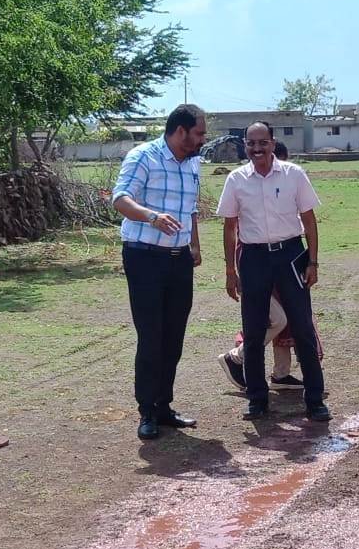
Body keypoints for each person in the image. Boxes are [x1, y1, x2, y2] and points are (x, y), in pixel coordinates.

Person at [216, 121, 330, 421]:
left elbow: (309, 219)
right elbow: (229, 228)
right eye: (251, 143)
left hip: (291, 255)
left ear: (272, 142)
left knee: (303, 328)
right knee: (253, 332)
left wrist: (313, 262)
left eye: (262, 142)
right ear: (245, 145)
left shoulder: (294, 174)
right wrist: (230, 270)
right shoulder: (236, 179)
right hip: (253, 258)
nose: (257, 149)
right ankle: (257, 399)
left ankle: (315, 399)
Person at [111, 103, 208, 440]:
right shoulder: (144, 156)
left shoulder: (193, 162)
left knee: (174, 337)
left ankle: (164, 406)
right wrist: (153, 217)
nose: (201, 140)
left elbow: (191, 208)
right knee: (151, 336)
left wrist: (194, 244)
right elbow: (120, 200)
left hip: (179, 260)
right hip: (144, 257)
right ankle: (147, 411)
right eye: (198, 133)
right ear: (180, 130)